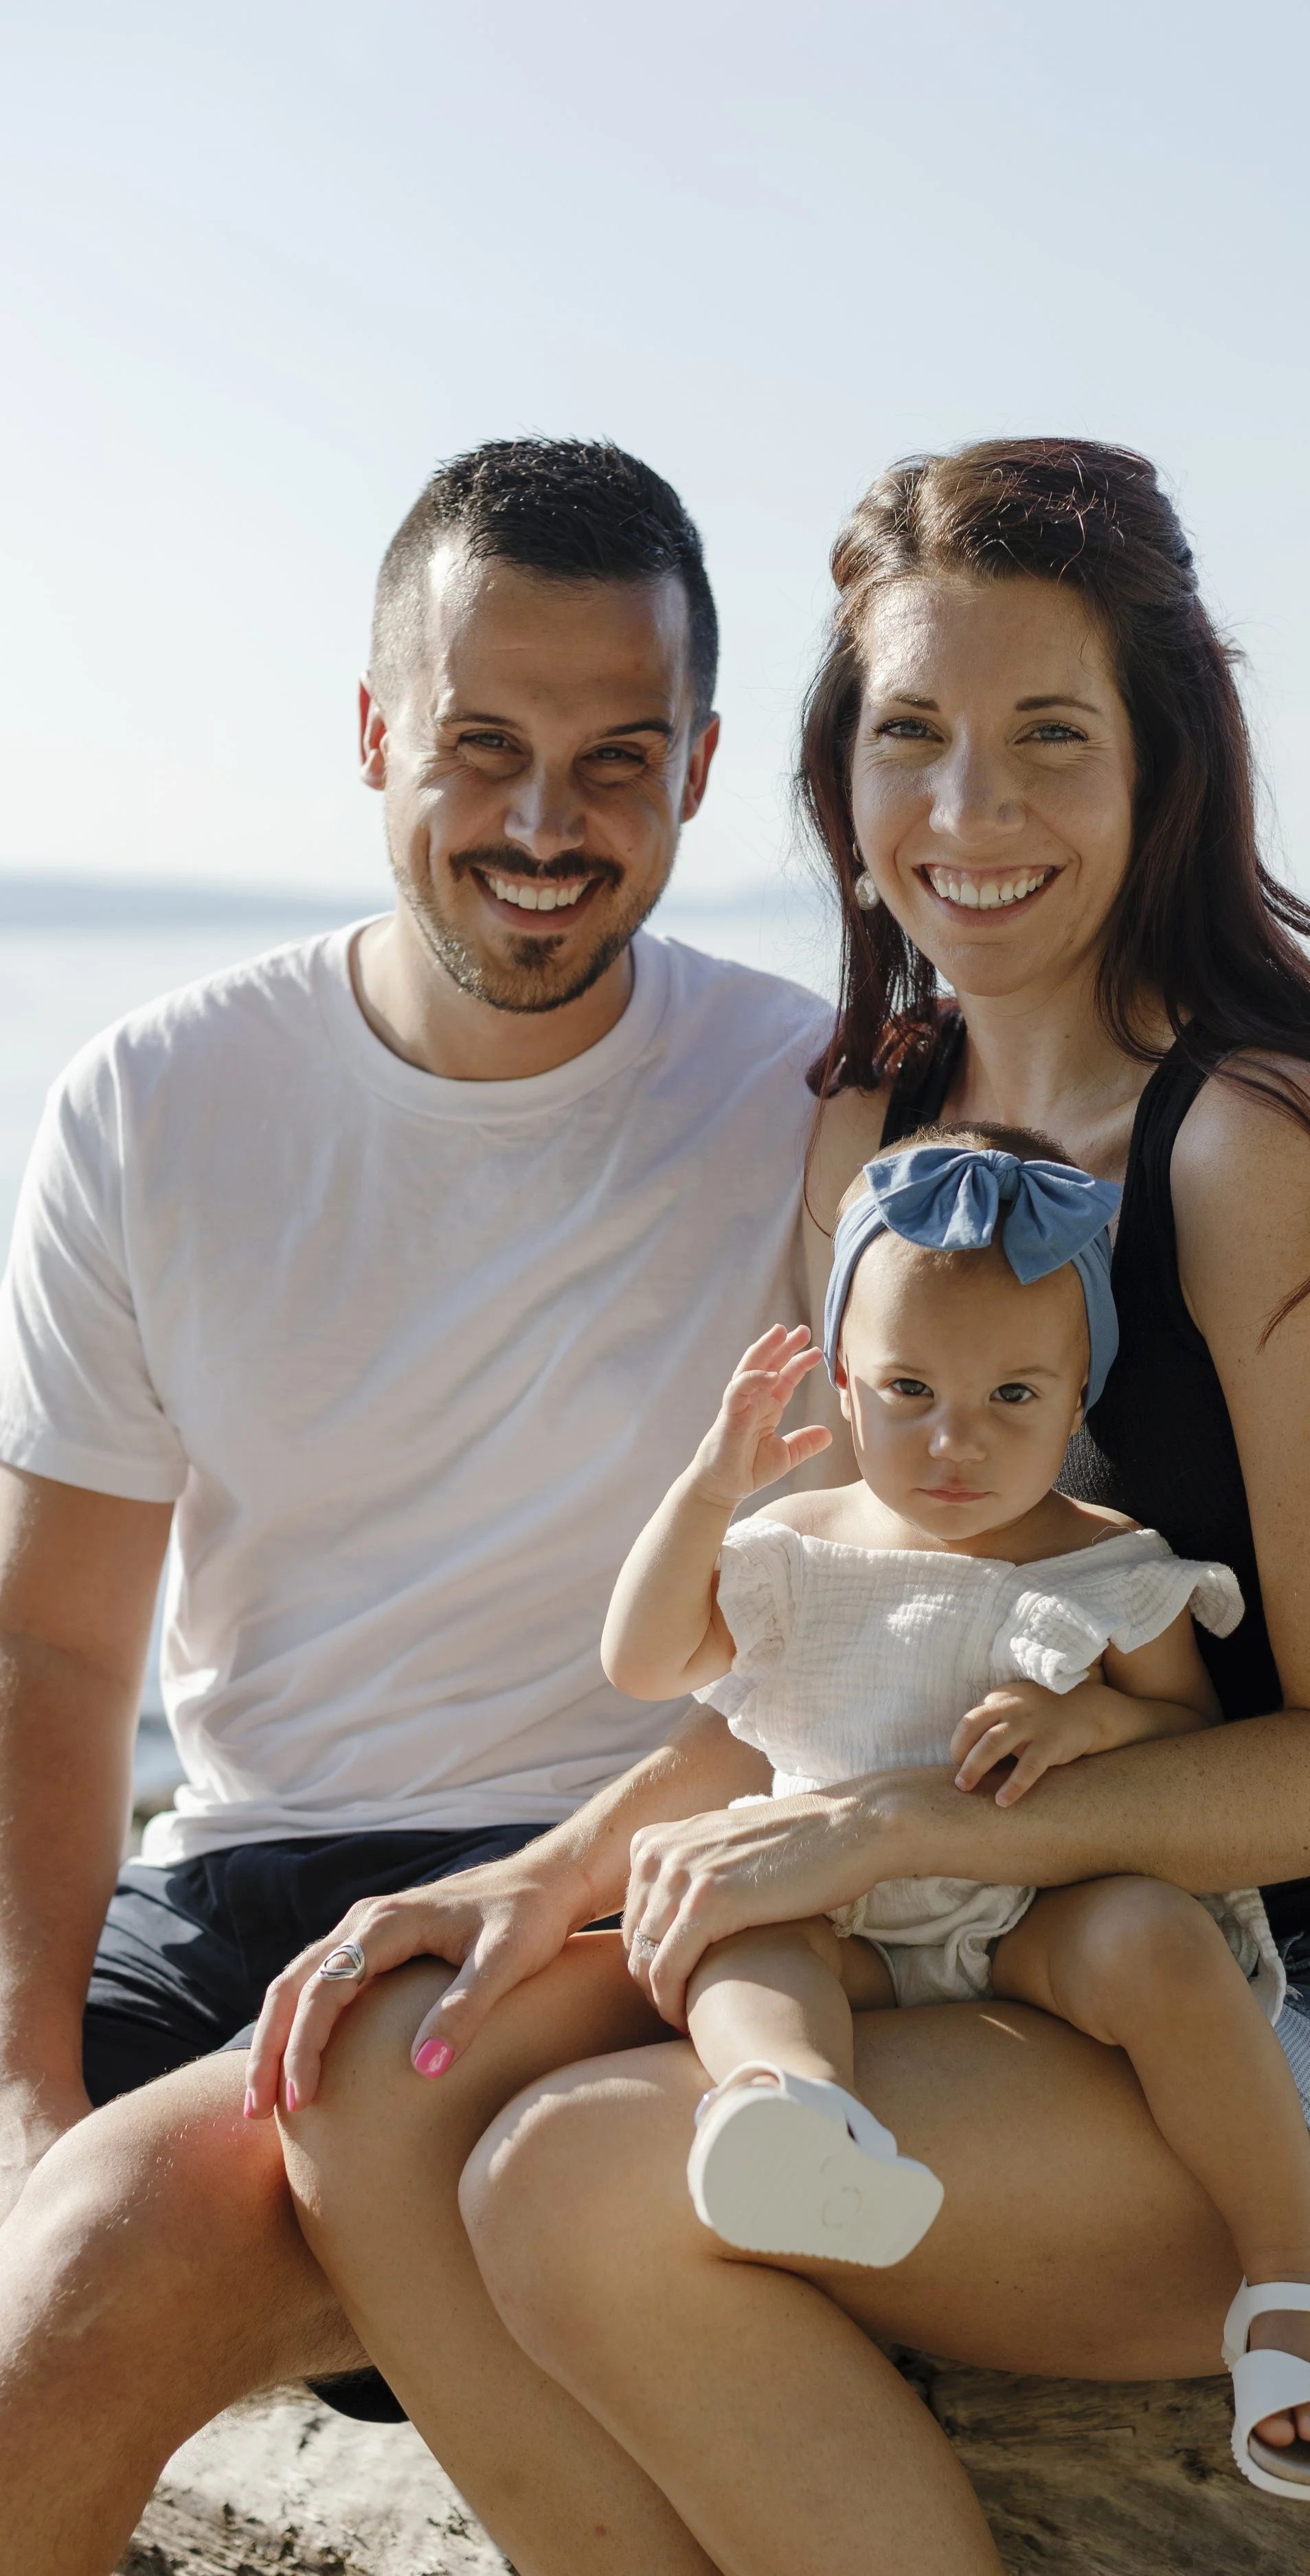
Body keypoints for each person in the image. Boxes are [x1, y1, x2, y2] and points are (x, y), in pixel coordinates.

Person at [263, 439, 1310, 2576]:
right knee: (376, 2083)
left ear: (1159, 759)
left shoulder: (1255, 1139)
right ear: (835, 771)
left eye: (1046, 738)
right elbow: (829, 1653)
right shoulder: (868, 1134)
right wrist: (529, 1877)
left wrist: (903, 1827)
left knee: (577, 2176)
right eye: (909, 734)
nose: (966, 813)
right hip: (985, 1937)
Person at [0, 437, 835, 2576]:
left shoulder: (820, 1100)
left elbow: (1071, 1470)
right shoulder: (154, 1103)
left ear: (705, 764)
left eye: (616, 757)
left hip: (602, 1913)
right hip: (239, 1888)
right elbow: (57, 1646)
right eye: (482, 746)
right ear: (375, 732)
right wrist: (26, 2070)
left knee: (85, 2266)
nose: (545, 826)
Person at [606, 1130, 1310, 2500]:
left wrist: (1089, 1721)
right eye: (905, 1389)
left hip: (1036, 1919)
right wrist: (708, 1489)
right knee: (746, 1951)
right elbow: (641, 1659)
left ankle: (1286, 2269)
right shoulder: (796, 1553)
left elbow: (1191, 1739)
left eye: (1009, 1396)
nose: (951, 1441)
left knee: (1153, 1935)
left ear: (1074, 1393)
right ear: (842, 1381)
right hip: (836, 1911)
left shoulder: (1103, 1562)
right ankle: (793, 2111)